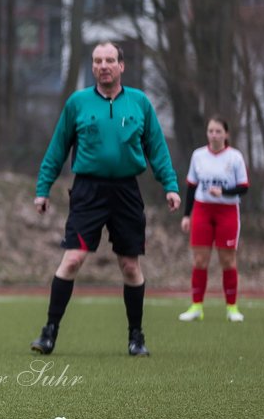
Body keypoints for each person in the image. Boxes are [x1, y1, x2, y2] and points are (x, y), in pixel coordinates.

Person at [29, 41, 181, 357]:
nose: (103, 66)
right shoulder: (78, 103)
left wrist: (170, 185)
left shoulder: (139, 103)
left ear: (121, 66)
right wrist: (43, 189)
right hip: (88, 192)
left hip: (126, 191)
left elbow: (157, 147)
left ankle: (136, 337)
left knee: (129, 265)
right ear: (93, 67)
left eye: (110, 60)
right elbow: (57, 149)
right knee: (73, 259)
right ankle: (49, 332)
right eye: (98, 61)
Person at [178, 117, 249, 322]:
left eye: (218, 131)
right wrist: (186, 215)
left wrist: (224, 191)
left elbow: (244, 187)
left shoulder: (234, 157)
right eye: (211, 131)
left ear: (226, 134)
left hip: (227, 211)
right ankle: (196, 306)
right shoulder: (198, 155)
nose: (214, 135)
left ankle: (232, 308)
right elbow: (191, 186)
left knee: (227, 260)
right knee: (200, 259)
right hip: (202, 210)